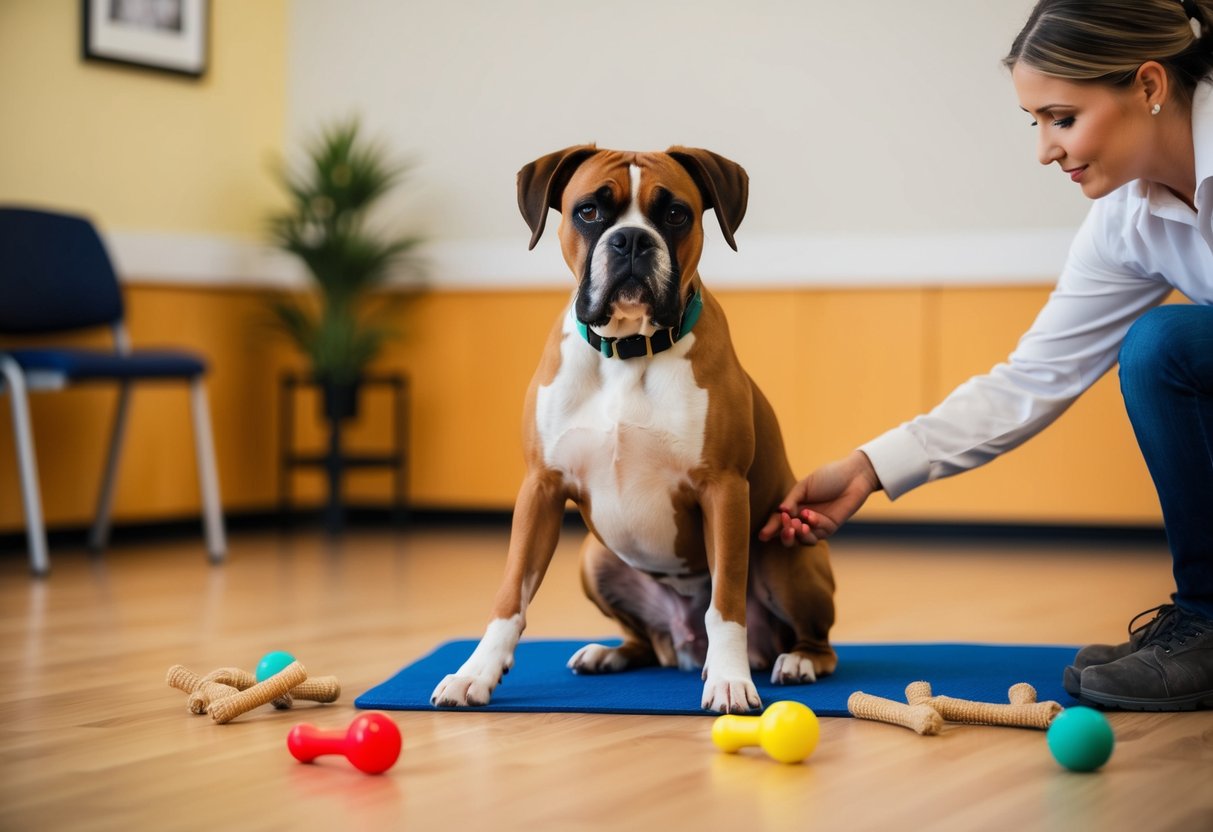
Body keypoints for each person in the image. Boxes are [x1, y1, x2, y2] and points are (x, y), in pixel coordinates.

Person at [759, 0, 1213, 712]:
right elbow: (1032, 377)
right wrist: (868, 467)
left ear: (1149, 87)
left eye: (1061, 118)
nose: (1044, 149)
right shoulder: (1126, 219)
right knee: (1160, 348)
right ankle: (1207, 618)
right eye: (1034, 122)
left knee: (1168, 342)